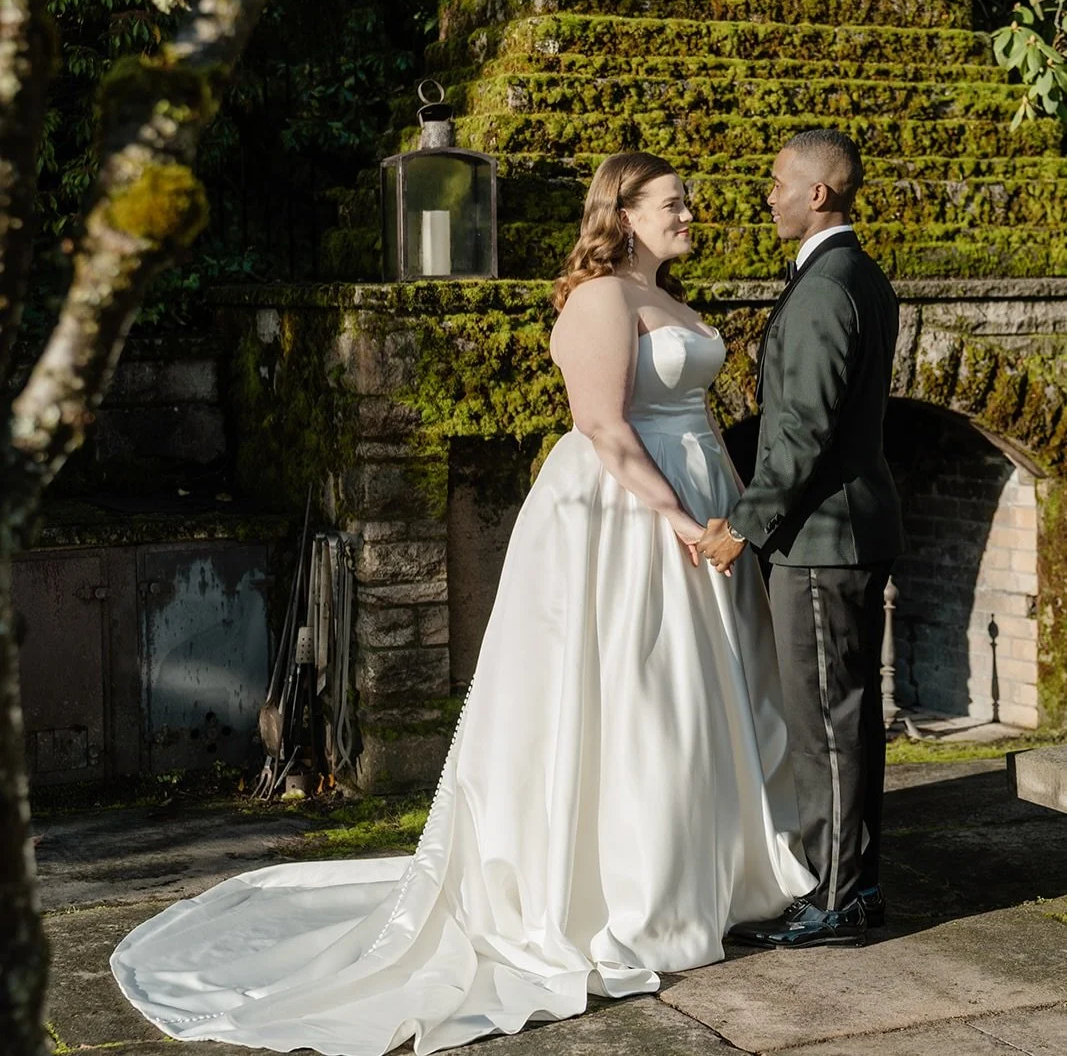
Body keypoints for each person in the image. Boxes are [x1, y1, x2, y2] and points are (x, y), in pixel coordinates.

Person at [111, 151, 812, 1056]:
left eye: (687, 201)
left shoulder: (671, 297)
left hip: (696, 490)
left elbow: (689, 409)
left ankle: (710, 875)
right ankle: (632, 892)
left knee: (702, 691)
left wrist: (723, 500)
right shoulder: (599, 297)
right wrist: (677, 518)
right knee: (637, 695)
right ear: (623, 212)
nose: (690, 213)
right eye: (673, 203)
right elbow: (601, 425)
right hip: (623, 511)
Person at [698, 128, 903, 949]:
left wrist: (742, 530)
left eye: (778, 182)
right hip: (836, 532)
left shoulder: (825, 287)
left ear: (818, 193)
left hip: (822, 540)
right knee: (838, 717)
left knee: (827, 722)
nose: (768, 195)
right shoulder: (852, 274)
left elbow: (803, 433)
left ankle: (840, 898)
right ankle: (847, 885)